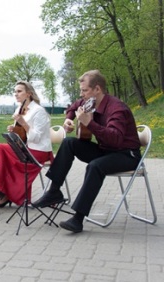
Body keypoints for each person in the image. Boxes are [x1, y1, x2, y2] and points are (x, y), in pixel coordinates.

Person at [32, 70, 141, 233]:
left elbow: (116, 139)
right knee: (69, 142)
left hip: (126, 154)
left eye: (84, 90)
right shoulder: (90, 102)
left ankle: (78, 219)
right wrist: (69, 118)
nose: (81, 95)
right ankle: (54, 192)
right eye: (81, 91)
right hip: (106, 150)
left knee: (95, 166)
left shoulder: (117, 109)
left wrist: (89, 124)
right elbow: (73, 107)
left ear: (97, 89)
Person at [0, 81, 53, 207]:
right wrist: (15, 129)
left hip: (38, 151)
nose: (16, 94)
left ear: (29, 94)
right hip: (25, 147)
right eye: (15, 91)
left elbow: (36, 138)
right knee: (0, 150)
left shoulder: (39, 111)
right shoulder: (19, 109)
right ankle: (2, 193)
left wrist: (23, 123)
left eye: (19, 91)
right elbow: (22, 135)